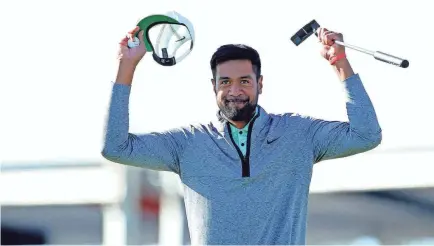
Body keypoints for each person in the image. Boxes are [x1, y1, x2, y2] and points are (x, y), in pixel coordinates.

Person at [102, 26, 382, 245]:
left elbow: (366, 134)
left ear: (260, 84)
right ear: (213, 87)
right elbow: (115, 147)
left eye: (244, 81)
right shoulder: (188, 144)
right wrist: (126, 67)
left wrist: (340, 64)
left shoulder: (299, 134)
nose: (235, 90)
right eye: (226, 82)